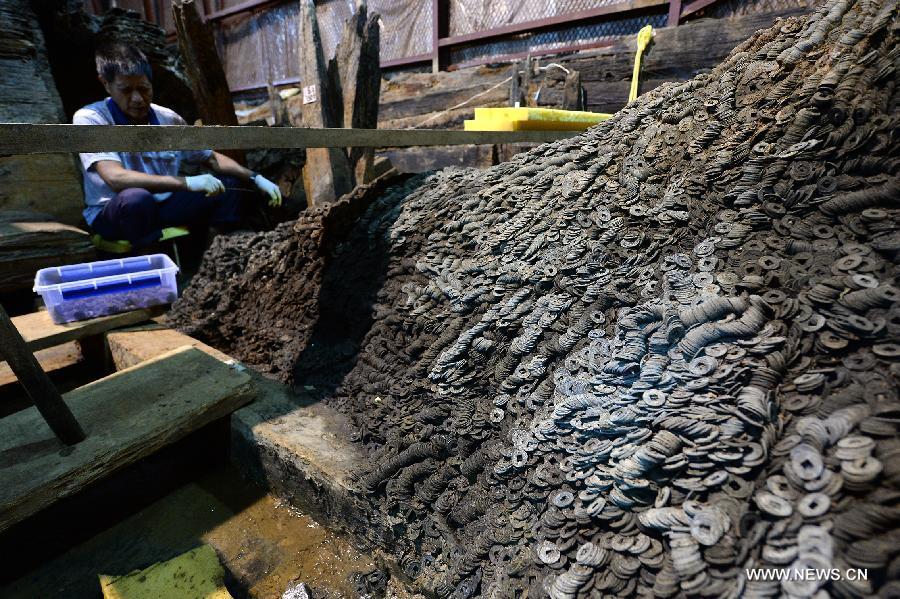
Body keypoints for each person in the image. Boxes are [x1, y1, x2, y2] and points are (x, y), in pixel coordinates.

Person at [73, 42, 282, 248]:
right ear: (105, 83)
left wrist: (255, 177)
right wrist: (187, 183)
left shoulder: (168, 119)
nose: (137, 98)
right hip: (116, 213)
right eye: (126, 90)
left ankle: (216, 255)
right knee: (136, 199)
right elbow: (115, 178)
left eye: (144, 89)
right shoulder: (91, 119)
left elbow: (210, 157)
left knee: (227, 186)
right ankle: (152, 261)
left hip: (163, 205)